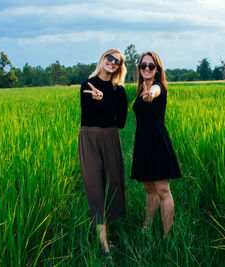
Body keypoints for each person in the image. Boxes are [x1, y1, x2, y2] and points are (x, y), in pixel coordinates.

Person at [78, 49, 128, 254]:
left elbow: (122, 122)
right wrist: (97, 98)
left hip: (111, 138)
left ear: (119, 67)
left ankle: (108, 228)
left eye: (117, 61)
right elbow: (88, 114)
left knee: (114, 184)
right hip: (88, 138)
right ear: (102, 59)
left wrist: (105, 98)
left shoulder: (119, 90)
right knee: (95, 188)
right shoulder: (87, 85)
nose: (113, 62)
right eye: (110, 58)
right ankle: (104, 246)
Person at [131, 51, 182, 239]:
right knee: (149, 190)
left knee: (163, 191)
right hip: (143, 143)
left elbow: (154, 93)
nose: (146, 68)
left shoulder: (158, 87)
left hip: (157, 143)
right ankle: (146, 226)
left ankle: (167, 236)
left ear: (157, 69)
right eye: (143, 65)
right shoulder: (140, 89)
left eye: (151, 66)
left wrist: (150, 94)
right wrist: (144, 94)